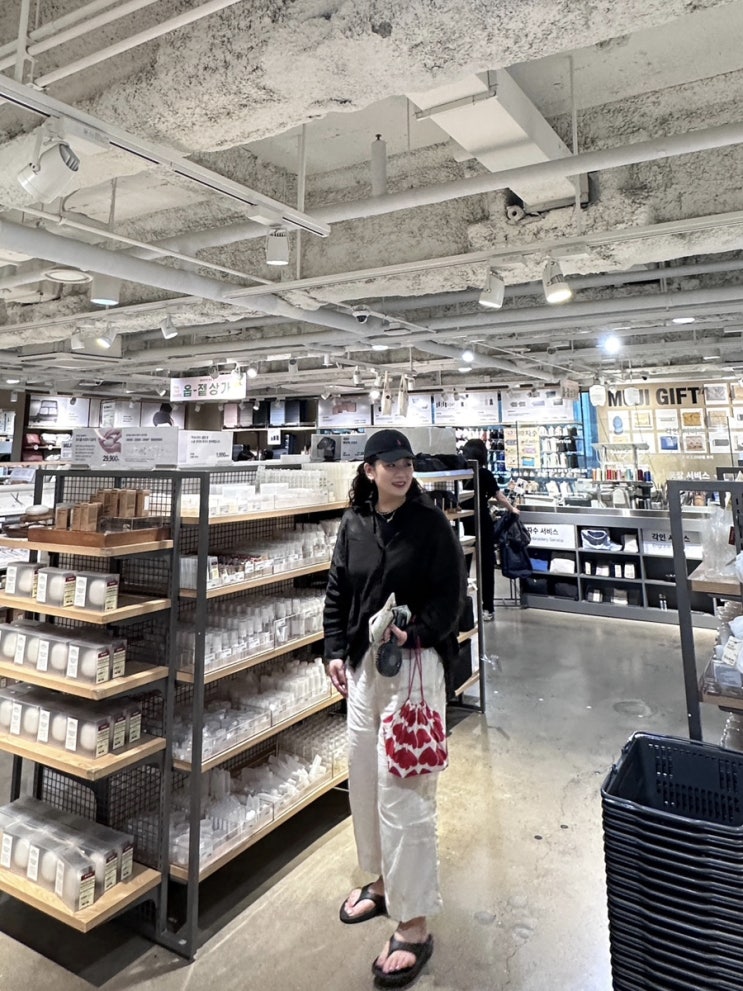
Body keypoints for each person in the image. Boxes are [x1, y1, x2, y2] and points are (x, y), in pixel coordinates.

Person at [324, 428, 466, 990]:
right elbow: (338, 590)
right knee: (364, 779)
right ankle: (383, 882)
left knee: (405, 791)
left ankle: (413, 923)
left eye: (407, 464)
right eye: (391, 464)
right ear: (369, 470)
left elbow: (451, 599)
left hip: (415, 672)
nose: (402, 472)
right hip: (365, 670)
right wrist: (334, 649)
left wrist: (416, 633)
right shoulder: (354, 523)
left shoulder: (431, 525)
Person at [461, 438, 518, 621]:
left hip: (464, 523)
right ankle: (487, 608)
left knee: (463, 565)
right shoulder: (484, 473)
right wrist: (512, 509)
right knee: (486, 566)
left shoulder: (461, 473)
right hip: (482, 522)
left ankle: (461, 605)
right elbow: (499, 496)